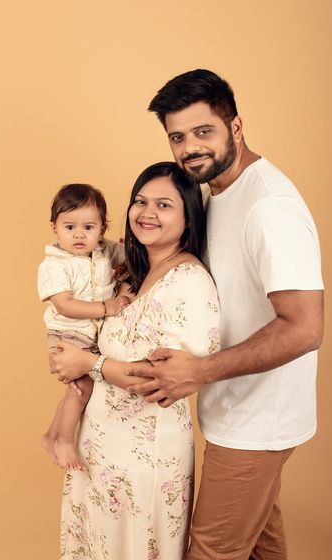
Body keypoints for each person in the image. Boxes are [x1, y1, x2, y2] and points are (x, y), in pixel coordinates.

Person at [126, 69, 325, 559]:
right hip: (234, 410)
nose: (190, 147)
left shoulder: (269, 207)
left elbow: (305, 327)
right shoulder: (217, 194)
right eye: (178, 137)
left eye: (203, 131)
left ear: (235, 127)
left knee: (213, 549)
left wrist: (199, 372)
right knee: (261, 545)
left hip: (259, 419)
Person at [49, 162, 220, 560]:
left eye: (163, 205)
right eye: (140, 201)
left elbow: (165, 380)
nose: (147, 213)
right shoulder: (127, 272)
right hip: (98, 452)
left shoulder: (189, 283)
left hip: (146, 461)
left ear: (188, 216)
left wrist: (86, 364)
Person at [38, 183, 129, 470]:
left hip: (90, 335)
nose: (79, 234)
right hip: (67, 333)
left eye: (89, 227)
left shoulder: (103, 251)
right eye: (69, 227)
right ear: (54, 227)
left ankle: (51, 434)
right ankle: (64, 440)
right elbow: (64, 304)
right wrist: (105, 308)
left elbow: (129, 255)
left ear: (102, 230)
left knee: (76, 390)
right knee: (82, 388)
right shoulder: (54, 265)